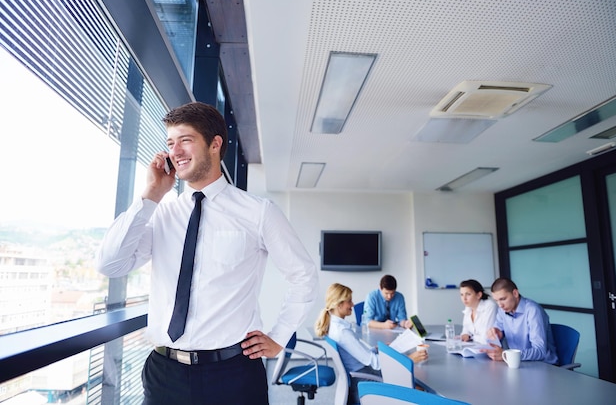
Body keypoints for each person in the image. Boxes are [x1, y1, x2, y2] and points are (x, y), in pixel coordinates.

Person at [96, 102, 318, 405]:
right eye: (170, 143)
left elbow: (303, 275)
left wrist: (279, 336)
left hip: (233, 374)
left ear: (215, 144)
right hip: (164, 373)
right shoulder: (162, 213)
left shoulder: (258, 212)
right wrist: (150, 196)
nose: (176, 151)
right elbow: (110, 264)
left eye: (186, 140)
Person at [315, 283, 427, 404]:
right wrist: (409, 359)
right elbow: (376, 363)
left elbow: (358, 354)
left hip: (360, 374)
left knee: (412, 383)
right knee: (419, 390)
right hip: (364, 379)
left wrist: (376, 349)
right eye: (349, 301)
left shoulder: (335, 325)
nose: (353, 304)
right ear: (339, 304)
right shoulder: (343, 332)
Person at [483, 277, 558, 364]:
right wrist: (496, 335)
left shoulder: (533, 311)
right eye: (496, 301)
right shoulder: (502, 311)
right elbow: (496, 333)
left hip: (543, 365)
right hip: (518, 363)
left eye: (503, 299)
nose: (500, 305)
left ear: (515, 293)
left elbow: (540, 351)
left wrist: (506, 355)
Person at [459, 279, 497, 344]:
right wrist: (465, 334)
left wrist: (471, 337)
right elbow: (465, 330)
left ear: (479, 295)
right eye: (462, 294)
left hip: (489, 348)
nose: (464, 298)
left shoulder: (489, 306)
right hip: (475, 346)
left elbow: (486, 338)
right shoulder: (468, 308)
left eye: (468, 294)